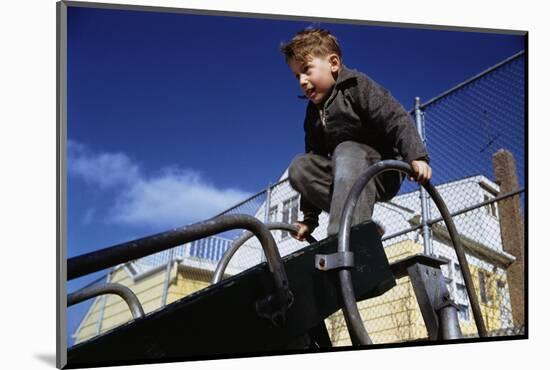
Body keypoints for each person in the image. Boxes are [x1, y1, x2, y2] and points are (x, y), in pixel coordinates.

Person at [279, 27, 432, 241]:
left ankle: (342, 239)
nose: (302, 81)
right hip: (345, 175)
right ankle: (364, 227)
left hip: (382, 170)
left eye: (307, 70)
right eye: (297, 76)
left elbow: (394, 117)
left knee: (346, 149)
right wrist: (309, 219)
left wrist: (416, 156)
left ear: (334, 64)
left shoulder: (356, 85)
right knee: (300, 167)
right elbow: (315, 156)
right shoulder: (313, 113)